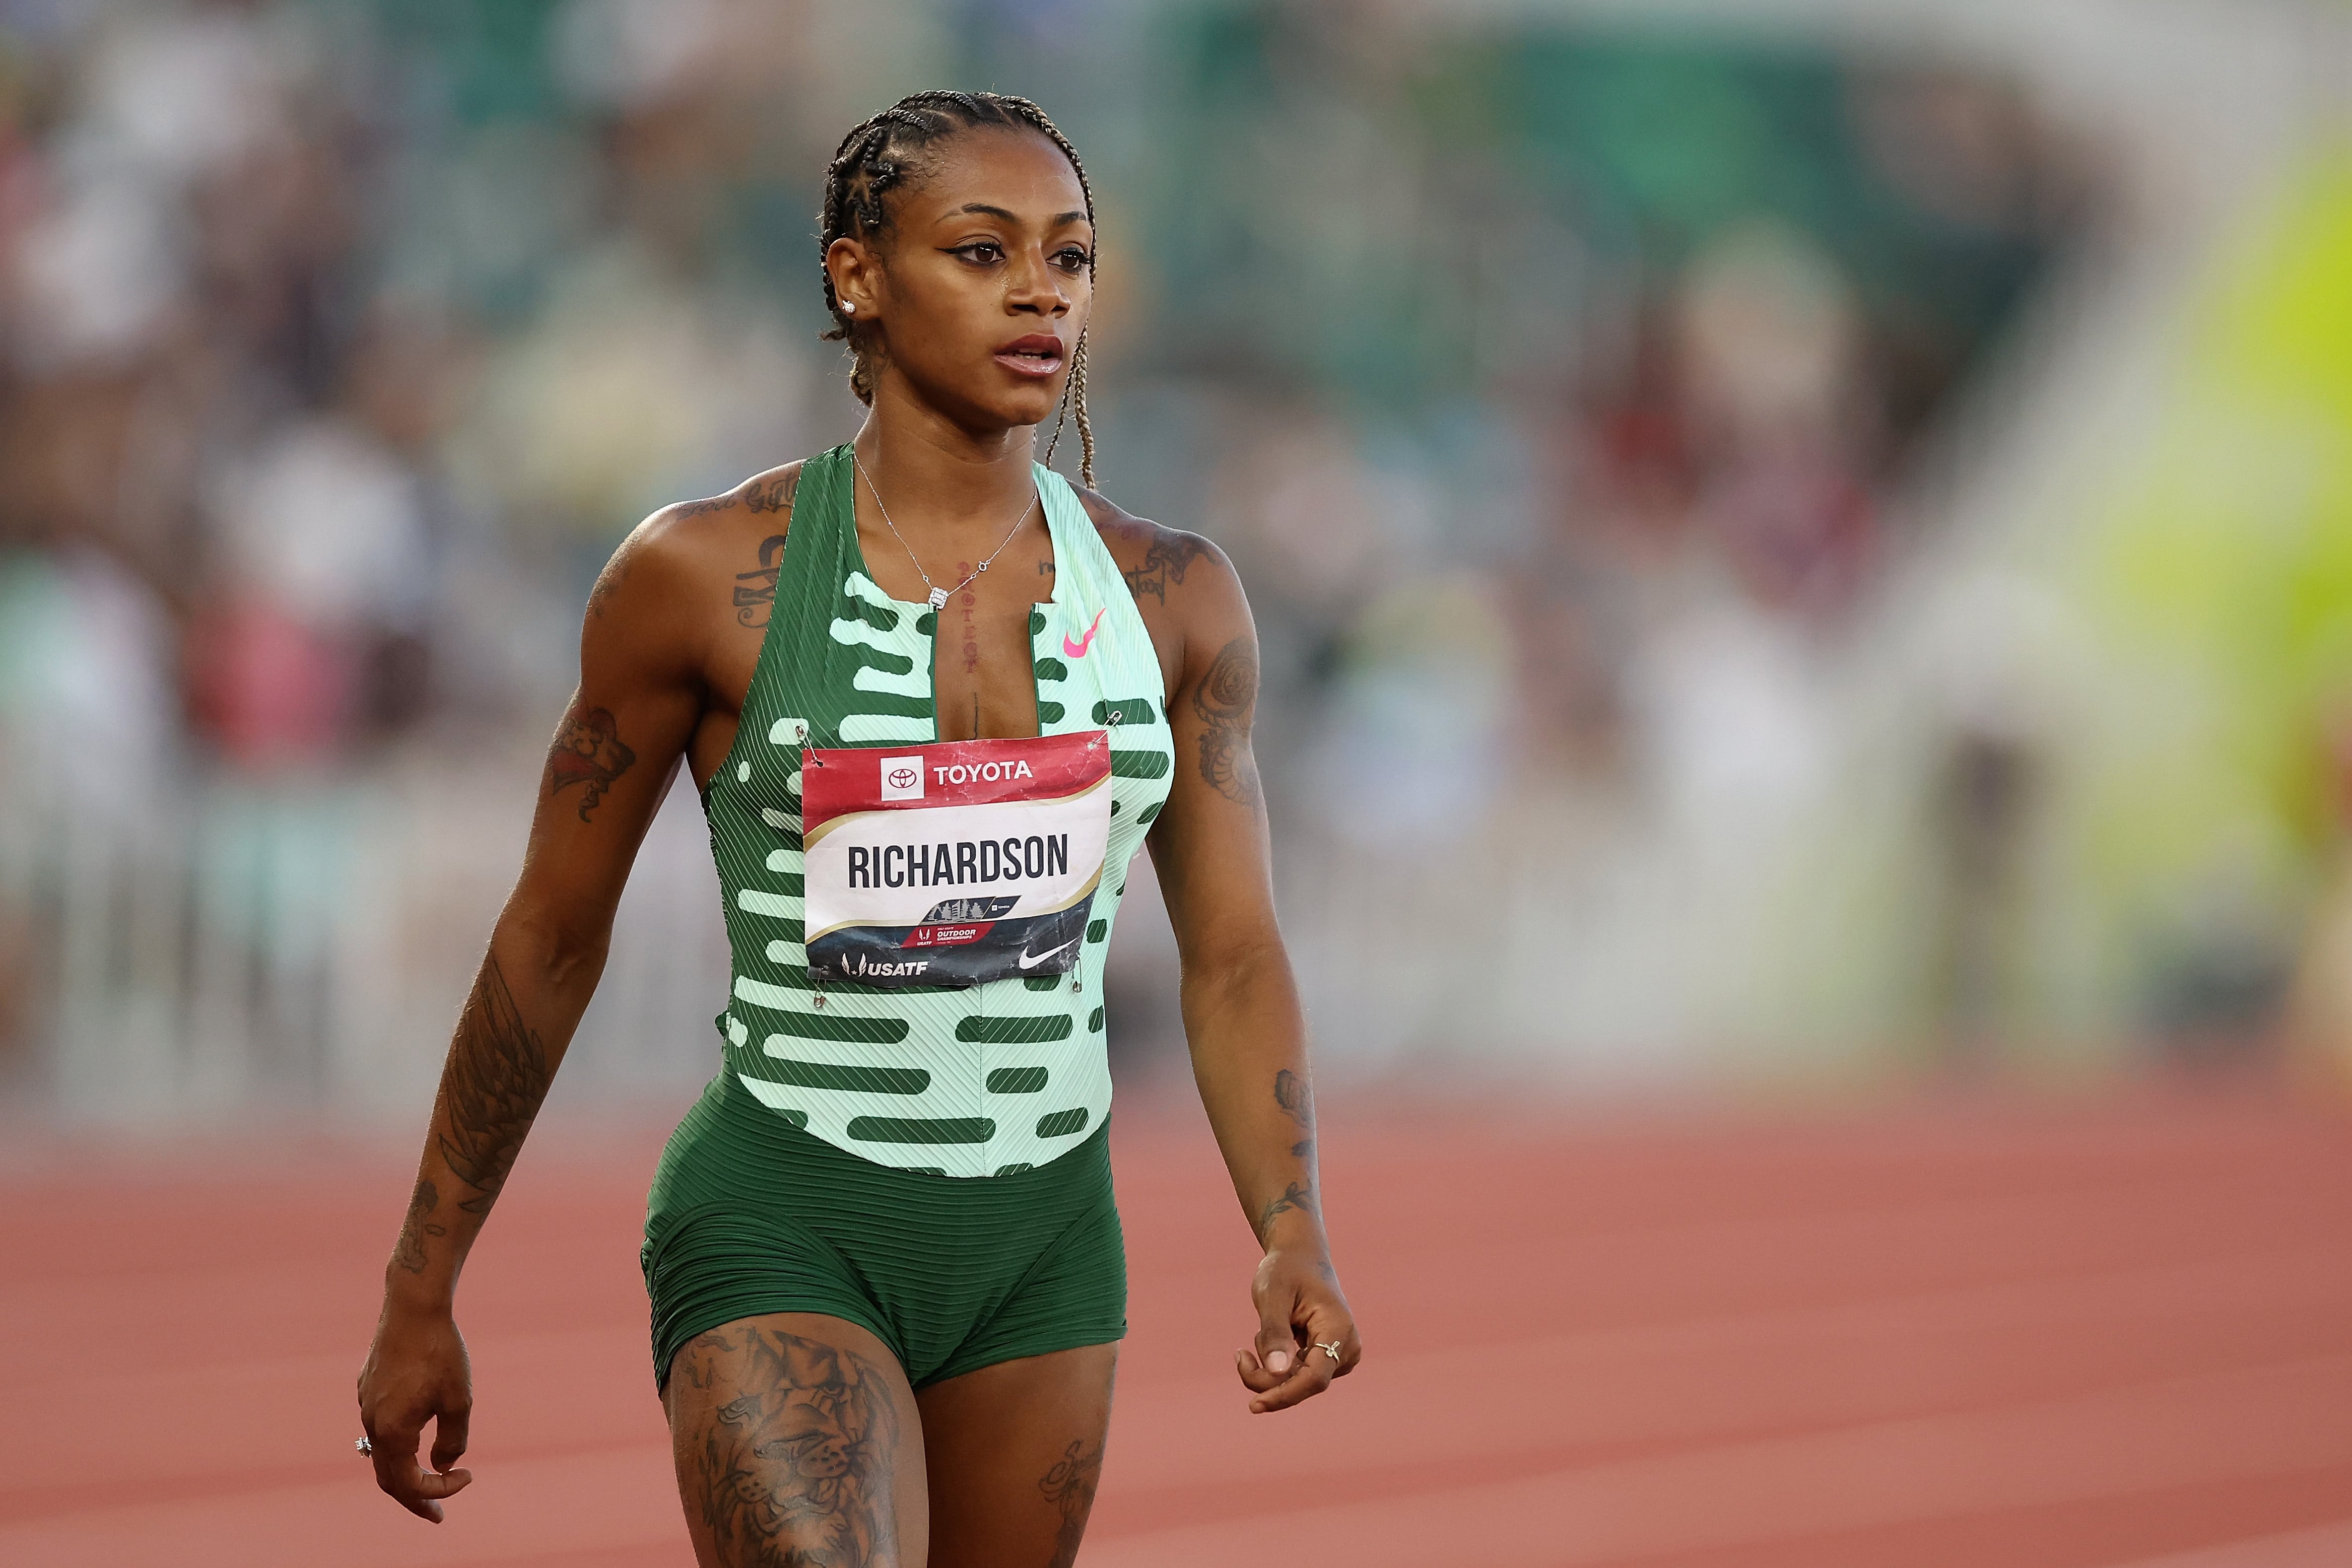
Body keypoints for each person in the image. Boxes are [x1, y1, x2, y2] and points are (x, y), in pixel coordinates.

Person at [355, 90, 1360, 1566]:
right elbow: (553, 935)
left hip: (1044, 1244)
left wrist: (1289, 1220)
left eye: (1070, 258)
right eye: (981, 249)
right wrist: (419, 1282)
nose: (1040, 290)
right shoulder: (699, 579)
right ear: (856, 277)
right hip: (787, 1214)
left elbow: (1226, 953)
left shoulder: (1174, 602)